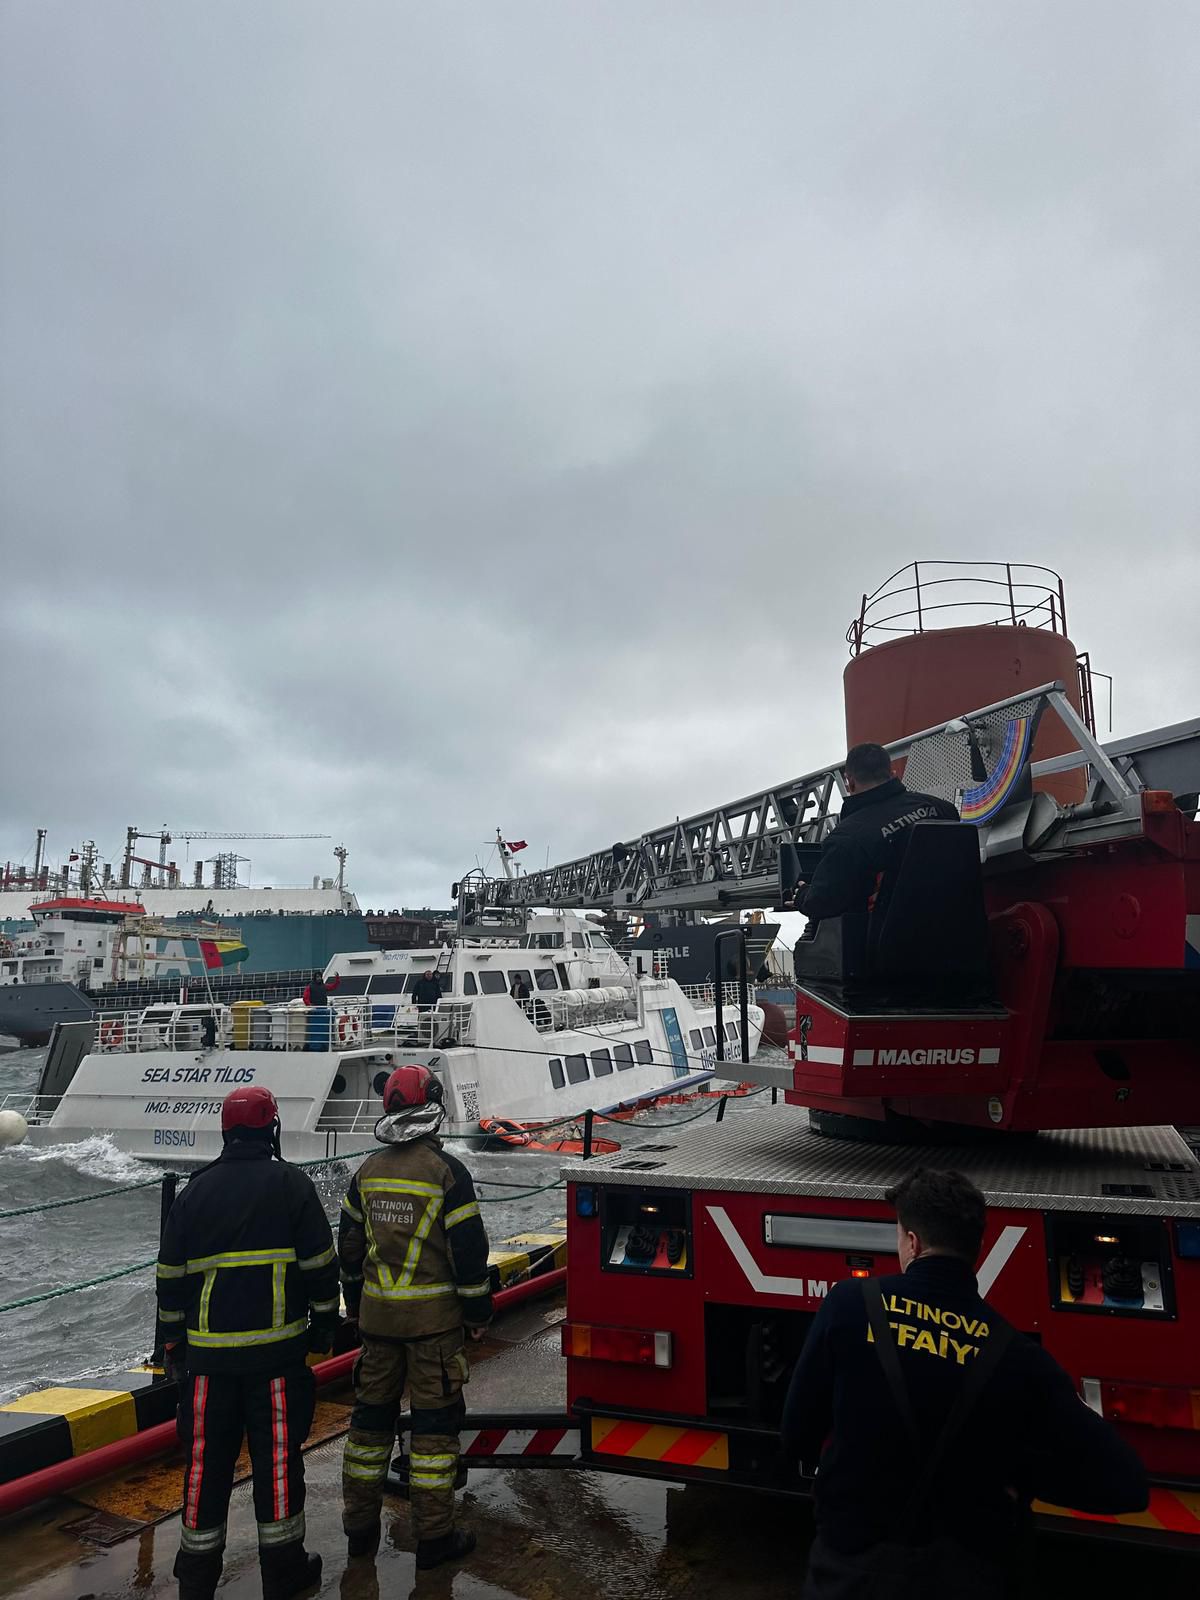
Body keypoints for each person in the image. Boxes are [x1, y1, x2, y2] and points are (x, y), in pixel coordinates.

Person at [781, 1167, 1148, 1598]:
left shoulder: (848, 1305)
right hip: (964, 1575)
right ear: (977, 1247)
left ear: (912, 1243)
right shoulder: (1017, 1356)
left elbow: (797, 1435)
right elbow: (1128, 1486)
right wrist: (1015, 1478)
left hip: (850, 1570)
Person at [156, 1086, 339, 1600]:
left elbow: (169, 1279)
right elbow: (322, 1271)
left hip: (207, 1367)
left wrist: (174, 1342)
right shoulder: (292, 1186)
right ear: (272, 1130)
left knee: (205, 1467)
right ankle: (283, 1573)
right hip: (277, 1361)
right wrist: (324, 1327)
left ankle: (196, 1580)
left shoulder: (195, 1193)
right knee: (278, 1465)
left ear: (226, 1132)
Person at [338, 1063, 492, 1570]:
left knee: (368, 1429)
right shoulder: (448, 1173)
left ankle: (359, 1533)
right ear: (432, 1104)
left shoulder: (366, 1173)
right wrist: (477, 1312)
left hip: (378, 1326)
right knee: (432, 1435)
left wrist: (359, 1305)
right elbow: (468, 1253)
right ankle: (434, 1539)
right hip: (434, 1329)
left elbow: (350, 1252)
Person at [792, 743, 959, 928]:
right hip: (960, 934)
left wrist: (802, 896)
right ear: (893, 773)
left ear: (850, 781)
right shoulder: (943, 809)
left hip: (894, 947)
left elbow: (823, 902)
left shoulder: (847, 839)